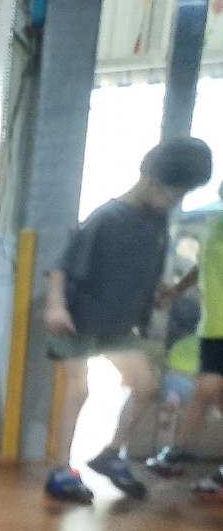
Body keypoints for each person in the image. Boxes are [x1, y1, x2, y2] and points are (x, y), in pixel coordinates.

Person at [43, 136, 213, 503]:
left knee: (147, 386)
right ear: (150, 178)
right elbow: (60, 267)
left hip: (118, 323)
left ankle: (110, 454)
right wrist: (55, 306)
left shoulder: (158, 219)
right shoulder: (107, 217)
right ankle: (59, 470)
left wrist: (160, 290)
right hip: (78, 319)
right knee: (79, 390)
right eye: (174, 194)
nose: (176, 202)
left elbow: (141, 267)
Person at [146, 179, 223, 503]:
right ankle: (181, 456)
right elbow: (203, 265)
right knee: (216, 396)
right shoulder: (215, 225)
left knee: (207, 388)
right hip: (212, 327)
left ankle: (178, 451)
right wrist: (178, 289)